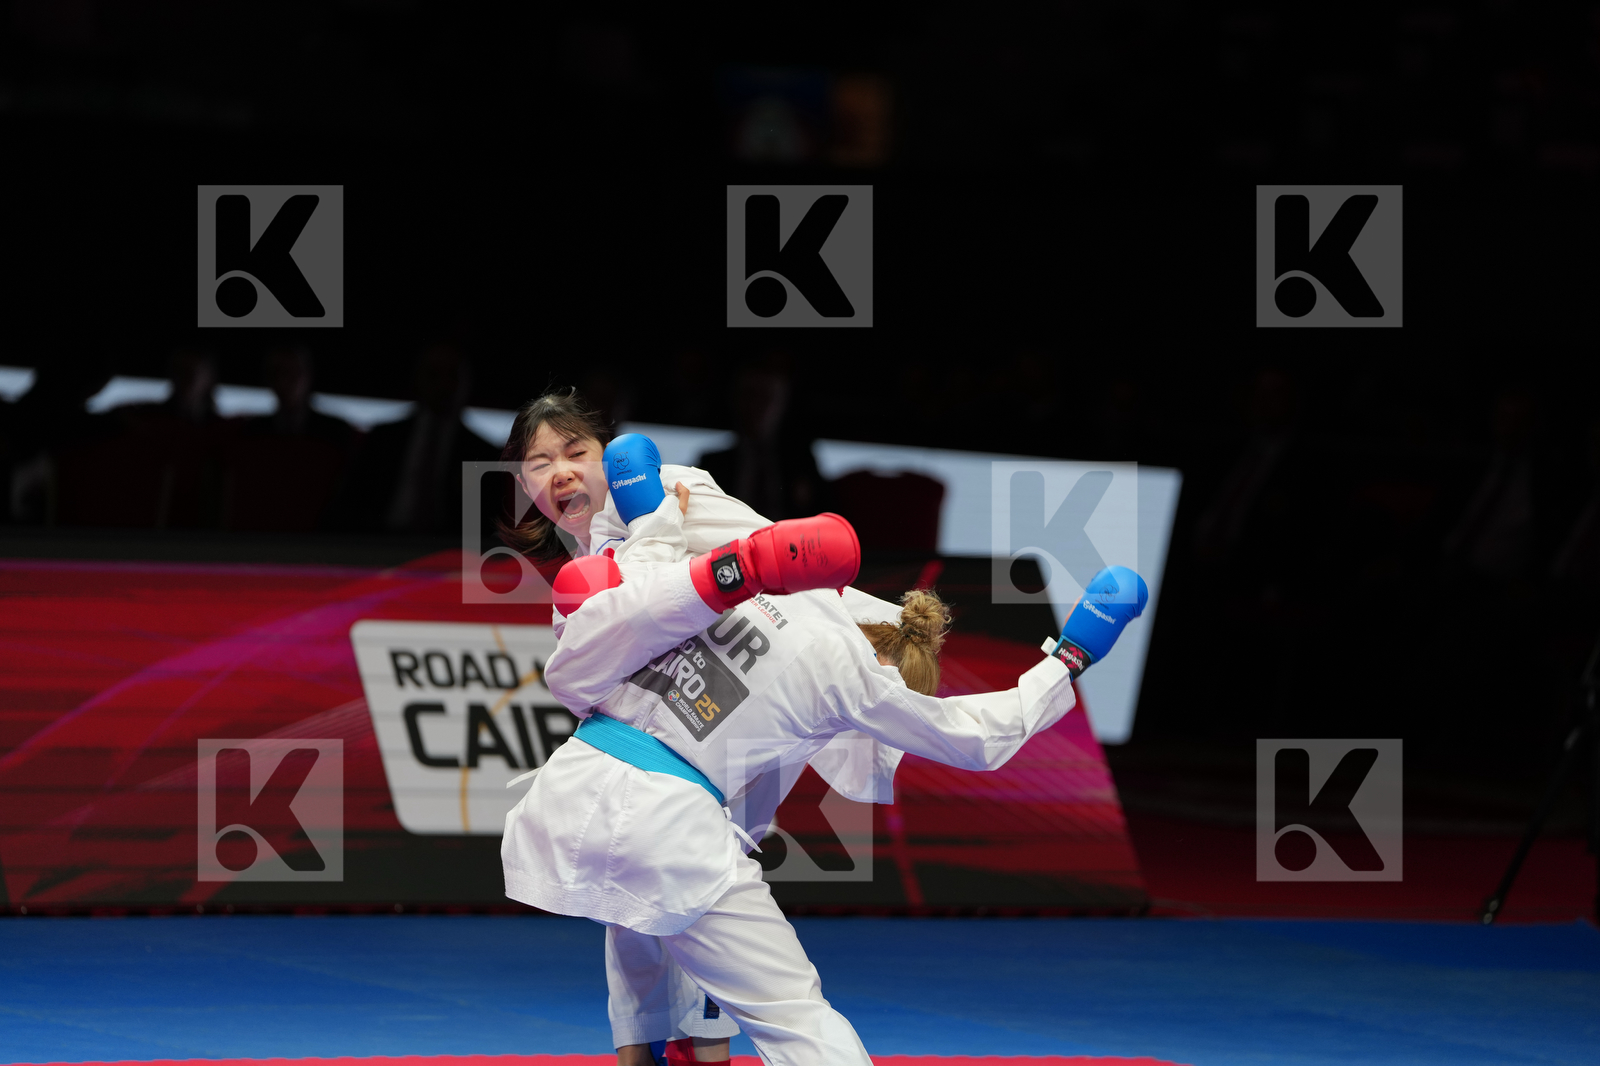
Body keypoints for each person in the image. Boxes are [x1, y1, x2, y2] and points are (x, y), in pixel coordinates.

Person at [496, 389, 938, 1062]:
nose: (558, 471)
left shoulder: (663, 490)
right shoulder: (590, 539)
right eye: (538, 463)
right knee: (644, 887)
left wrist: (649, 548)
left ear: (607, 454)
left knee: (698, 875)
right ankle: (668, 1045)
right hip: (712, 704)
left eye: (574, 451)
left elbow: (748, 564)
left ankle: (697, 1041)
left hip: (773, 685)